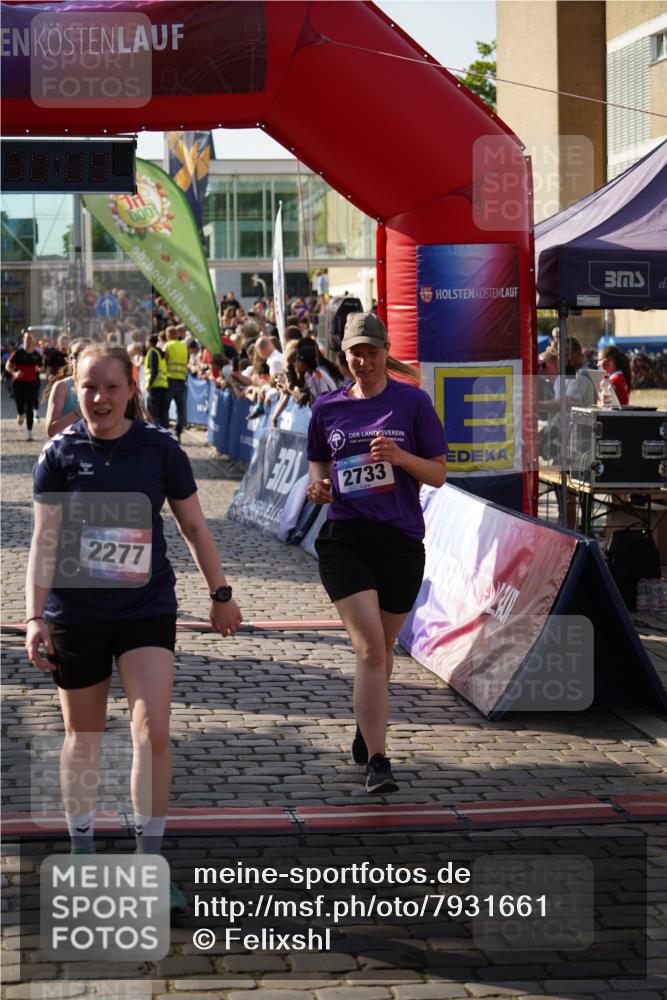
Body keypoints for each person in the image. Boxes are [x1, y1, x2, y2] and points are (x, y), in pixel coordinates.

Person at [25, 344, 242, 910]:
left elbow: (194, 526)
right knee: (84, 737)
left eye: (111, 387)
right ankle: (81, 849)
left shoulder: (160, 448)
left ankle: (149, 861)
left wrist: (220, 594)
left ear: (131, 389)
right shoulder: (58, 453)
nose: (100, 398)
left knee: (153, 731)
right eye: (89, 387)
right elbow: (44, 541)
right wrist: (33, 617)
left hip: (145, 608)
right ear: (74, 388)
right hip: (77, 614)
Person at [306, 313, 447, 795]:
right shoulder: (328, 407)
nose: (363, 361)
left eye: (371, 352)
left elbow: (438, 474)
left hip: (400, 541)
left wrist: (401, 458)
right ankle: (379, 761)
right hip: (345, 538)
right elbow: (318, 460)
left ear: (386, 352)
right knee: (369, 647)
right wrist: (318, 485)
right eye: (355, 354)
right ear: (343, 356)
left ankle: (367, 726)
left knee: (382, 652)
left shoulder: (413, 402)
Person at [44, 338, 89, 437]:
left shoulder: (100, 386)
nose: (82, 358)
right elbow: (51, 430)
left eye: (86, 354)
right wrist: (80, 412)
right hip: (69, 444)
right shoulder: (62, 387)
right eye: (77, 354)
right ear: (70, 361)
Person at [5, 330, 43, 441]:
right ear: (23, 340)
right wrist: (14, 373)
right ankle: (20, 413)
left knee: (30, 407)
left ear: (33, 341)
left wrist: (39, 369)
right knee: (20, 406)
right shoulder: (18, 353)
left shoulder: (37, 356)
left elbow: (41, 367)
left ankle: (29, 432)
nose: (29, 341)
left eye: (31, 339)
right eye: (27, 339)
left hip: (32, 383)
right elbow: (8, 365)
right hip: (18, 383)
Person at [165, 325, 189, 442]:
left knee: (165, 407)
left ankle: (164, 433)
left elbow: (165, 360)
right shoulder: (184, 346)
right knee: (180, 409)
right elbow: (187, 361)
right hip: (181, 380)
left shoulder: (168, 345)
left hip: (169, 380)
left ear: (169, 335)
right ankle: (178, 433)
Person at [144, 334, 169, 428]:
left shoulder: (152, 352)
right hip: (163, 385)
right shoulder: (160, 352)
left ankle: (153, 432)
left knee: (152, 412)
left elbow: (154, 370)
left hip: (155, 386)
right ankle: (163, 432)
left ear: (150, 343)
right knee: (161, 412)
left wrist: (150, 384)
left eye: (146, 342)